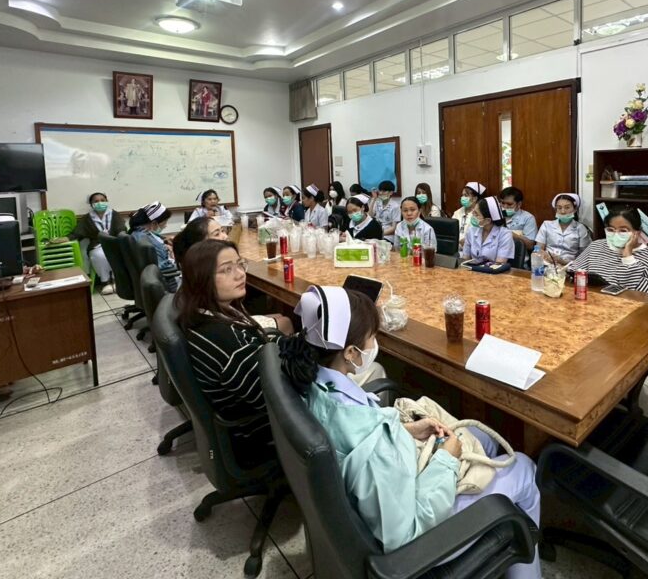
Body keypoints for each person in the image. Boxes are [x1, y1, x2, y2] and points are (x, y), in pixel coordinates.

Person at [279, 285, 541, 578]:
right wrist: (446, 461)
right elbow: (407, 531)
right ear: (351, 353)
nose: (374, 344)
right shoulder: (372, 442)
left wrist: (404, 430)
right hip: (417, 542)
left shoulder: (315, 384)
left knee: (482, 439)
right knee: (523, 467)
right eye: (372, 337)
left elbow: (357, 432)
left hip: (389, 483)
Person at [176, 240, 293, 469]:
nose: (240, 274)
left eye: (240, 264)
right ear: (201, 279)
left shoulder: (210, 312)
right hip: (257, 431)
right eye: (226, 269)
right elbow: (274, 397)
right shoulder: (225, 340)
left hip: (253, 401)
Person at [569, 206, 648, 295]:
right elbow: (573, 272)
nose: (616, 234)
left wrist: (628, 258)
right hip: (593, 301)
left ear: (638, 232)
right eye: (610, 230)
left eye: (623, 230)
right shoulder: (596, 246)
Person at [57, 192, 125, 295]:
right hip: (97, 245)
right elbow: (77, 233)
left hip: (114, 243)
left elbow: (121, 229)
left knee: (117, 254)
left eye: (102, 200)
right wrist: (66, 238)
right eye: (96, 201)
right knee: (99, 255)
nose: (100, 203)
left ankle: (117, 281)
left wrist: (122, 237)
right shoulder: (87, 218)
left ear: (107, 201)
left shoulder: (114, 214)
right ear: (91, 204)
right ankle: (105, 282)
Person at [130, 201, 180, 292]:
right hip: (168, 283)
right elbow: (164, 268)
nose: (166, 225)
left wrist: (164, 243)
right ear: (154, 223)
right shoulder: (147, 241)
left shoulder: (137, 233)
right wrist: (177, 260)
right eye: (165, 222)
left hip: (148, 280)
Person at [535, 193, 591, 266]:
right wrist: (547, 256)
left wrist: (562, 261)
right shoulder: (546, 225)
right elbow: (538, 249)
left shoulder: (580, 228)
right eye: (559, 208)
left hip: (569, 267)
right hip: (546, 265)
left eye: (567, 207)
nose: (563, 211)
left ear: (575, 209)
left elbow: (584, 256)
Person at [461, 196, 515, 265]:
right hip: (471, 269)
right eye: (473, 211)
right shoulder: (471, 231)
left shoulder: (505, 234)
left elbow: (499, 264)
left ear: (487, 220)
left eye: (476, 214)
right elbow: (465, 260)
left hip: (492, 271)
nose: (472, 215)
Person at [498, 187, 537, 255]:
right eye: (502, 203)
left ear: (519, 204)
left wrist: (509, 234)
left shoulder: (528, 218)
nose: (505, 207)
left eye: (509, 204)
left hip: (517, 257)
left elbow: (530, 245)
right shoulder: (496, 215)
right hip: (496, 255)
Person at [451, 181, 486, 246]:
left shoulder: (480, 215)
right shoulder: (457, 212)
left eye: (466, 195)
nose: (462, 198)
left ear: (475, 198)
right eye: (462, 195)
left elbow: (481, 235)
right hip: (454, 248)